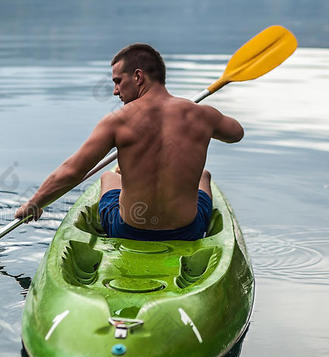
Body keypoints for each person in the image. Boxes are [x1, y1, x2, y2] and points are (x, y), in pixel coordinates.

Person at [14, 43, 243, 241]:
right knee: (204, 176)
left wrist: (34, 204)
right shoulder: (202, 115)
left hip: (129, 230)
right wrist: (205, 120)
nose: (115, 91)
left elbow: (72, 172)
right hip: (188, 231)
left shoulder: (117, 121)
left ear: (138, 76)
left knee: (109, 176)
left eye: (117, 81)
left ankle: (124, 172)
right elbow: (236, 133)